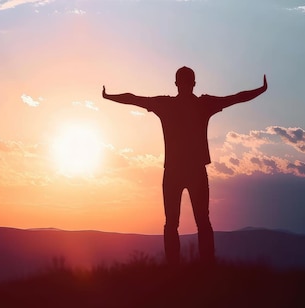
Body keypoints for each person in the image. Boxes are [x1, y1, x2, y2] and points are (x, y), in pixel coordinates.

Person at [102, 66, 267, 264]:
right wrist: (260, 90)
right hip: (195, 170)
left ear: (176, 83)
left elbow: (134, 98)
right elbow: (236, 97)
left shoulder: (166, 104)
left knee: (172, 223)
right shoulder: (203, 104)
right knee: (202, 222)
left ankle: (174, 267)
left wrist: (109, 96)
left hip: (173, 171)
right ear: (194, 83)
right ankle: (206, 266)